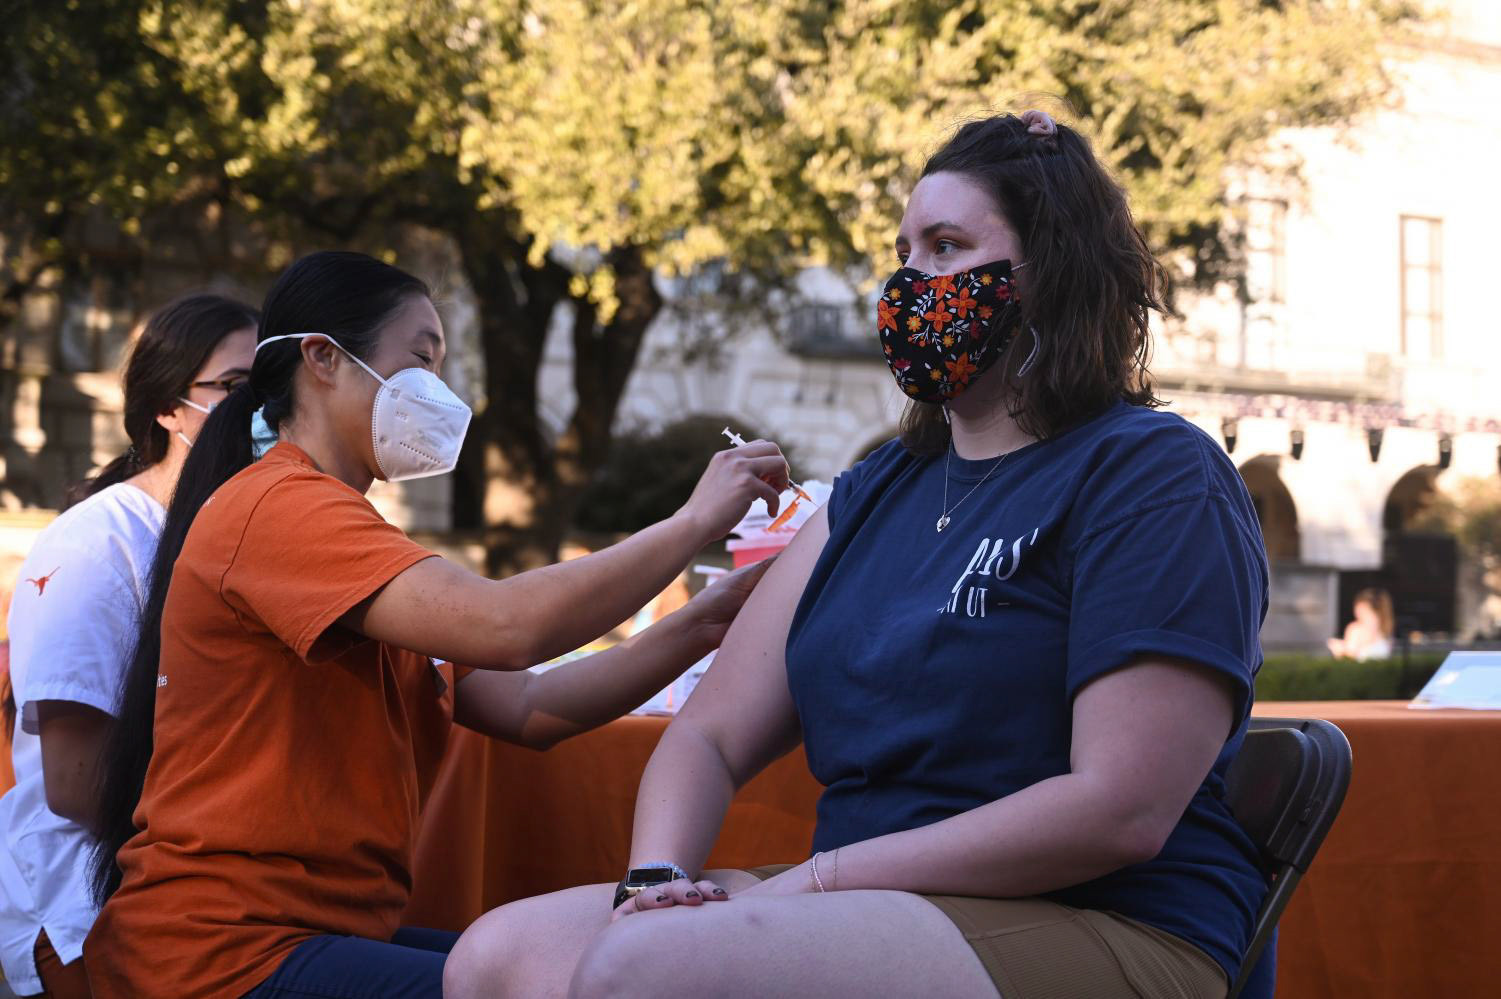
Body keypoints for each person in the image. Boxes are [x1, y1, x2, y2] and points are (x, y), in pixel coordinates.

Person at [443, 110, 1272, 999]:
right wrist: (652, 882)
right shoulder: (875, 489)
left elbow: (1119, 808)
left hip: (1111, 917)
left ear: (1050, 274)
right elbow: (713, 735)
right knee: (500, 956)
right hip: (872, 899)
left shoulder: (1152, 472)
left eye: (946, 246)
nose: (910, 279)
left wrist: (825, 879)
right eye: (906, 249)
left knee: (651, 970)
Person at [81, 250, 790, 998]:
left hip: (313, 931)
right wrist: (692, 522)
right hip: (228, 953)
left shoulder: (344, 530)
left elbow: (527, 705)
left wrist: (706, 619)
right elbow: (507, 625)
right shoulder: (278, 507)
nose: (438, 393)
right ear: (323, 359)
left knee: (599, 962)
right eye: (420, 361)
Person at [0, 295, 258, 998]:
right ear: (169, 409)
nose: (260, 411)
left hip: (208, 901)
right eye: (235, 389)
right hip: (96, 918)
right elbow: (78, 783)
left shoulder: (244, 535)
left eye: (271, 385)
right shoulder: (97, 545)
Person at [1327, 587, 1395, 661]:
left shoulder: (1384, 635)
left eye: (1365, 613)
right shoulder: (1356, 629)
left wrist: (1341, 652)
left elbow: (1349, 659)